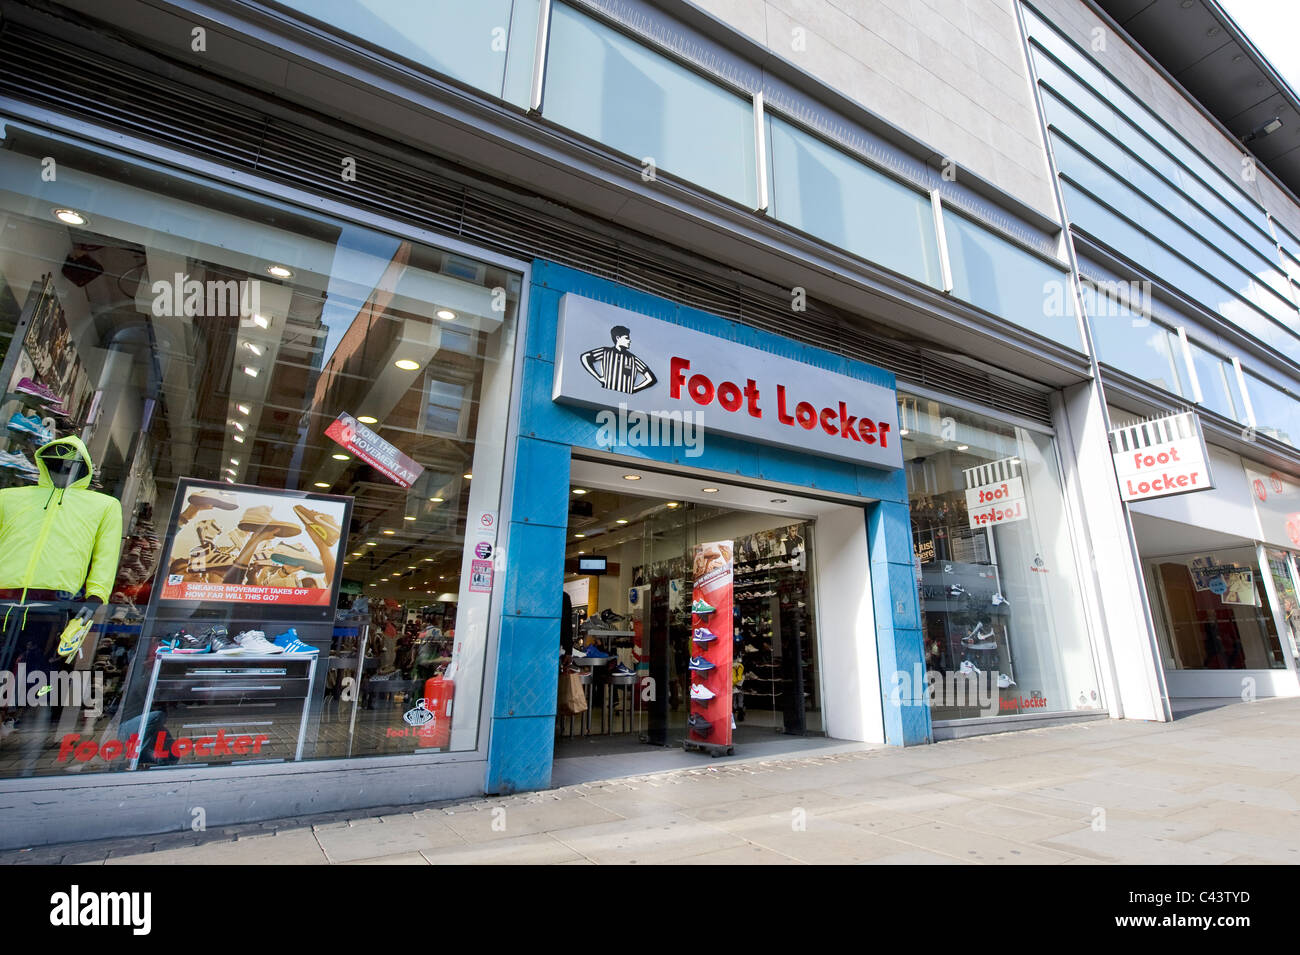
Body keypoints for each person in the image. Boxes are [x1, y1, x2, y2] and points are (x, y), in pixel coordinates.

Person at [579, 325, 657, 394]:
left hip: (626, 401)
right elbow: (585, 357)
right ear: (618, 338)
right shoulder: (605, 351)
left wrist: (635, 389)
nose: (629, 341)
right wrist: (598, 377)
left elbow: (651, 378)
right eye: (627, 338)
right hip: (605, 394)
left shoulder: (633, 359)